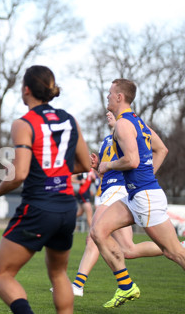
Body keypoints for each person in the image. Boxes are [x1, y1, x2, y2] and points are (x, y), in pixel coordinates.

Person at [90, 78, 185, 314]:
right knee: (98, 230)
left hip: (145, 199)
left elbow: (131, 161)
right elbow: (162, 149)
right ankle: (126, 285)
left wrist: (108, 165)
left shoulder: (122, 125)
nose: (108, 97)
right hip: (137, 195)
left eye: (110, 93)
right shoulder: (138, 123)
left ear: (120, 97)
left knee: (175, 253)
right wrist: (145, 178)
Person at [0, 65, 91, 314]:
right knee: (59, 274)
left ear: (27, 89)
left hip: (39, 207)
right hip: (68, 207)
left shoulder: (24, 123)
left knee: (2, 273)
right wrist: (59, 172)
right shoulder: (70, 120)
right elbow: (85, 164)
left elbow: (19, 174)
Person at [71, 111, 168, 297]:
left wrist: (145, 176)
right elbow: (106, 171)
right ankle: (176, 248)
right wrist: (98, 164)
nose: (108, 114)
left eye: (112, 111)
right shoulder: (108, 139)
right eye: (107, 112)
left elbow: (138, 159)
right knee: (128, 249)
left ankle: (78, 285)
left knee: (94, 235)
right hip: (109, 191)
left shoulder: (127, 133)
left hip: (118, 191)